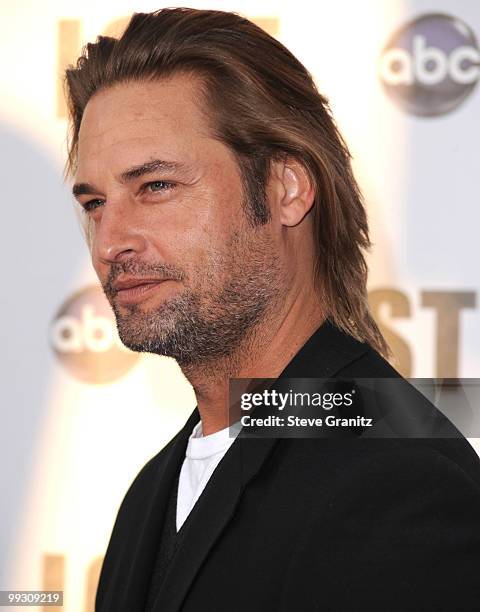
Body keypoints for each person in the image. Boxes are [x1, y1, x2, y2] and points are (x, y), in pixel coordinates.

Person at [64, 8, 480, 611]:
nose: (109, 242)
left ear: (286, 189)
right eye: (96, 202)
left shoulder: (401, 484)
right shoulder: (153, 492)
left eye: (155, 186)